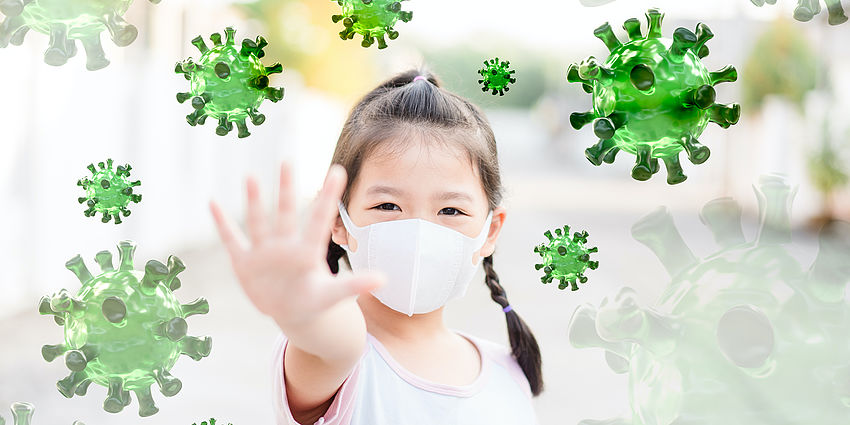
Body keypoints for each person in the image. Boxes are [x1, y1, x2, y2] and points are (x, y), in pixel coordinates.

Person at [210, 69, 543, 425]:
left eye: (450, 210)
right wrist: (300, 311)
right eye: (387, 206)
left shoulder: (507, 373)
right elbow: (335, 342)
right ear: (338, 220)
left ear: (490, 230)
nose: (419, 232)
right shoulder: (337, 360)